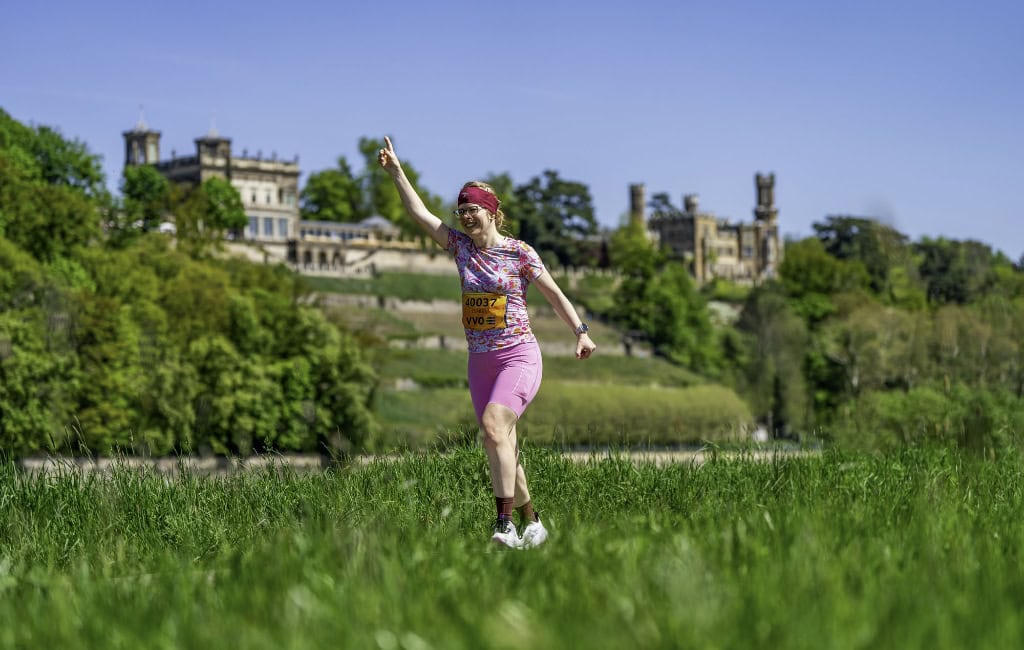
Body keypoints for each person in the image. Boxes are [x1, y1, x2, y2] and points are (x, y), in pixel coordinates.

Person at [378, 136, 597, 549]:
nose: (464, 217)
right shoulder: (460, 249)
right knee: (502, 441)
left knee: (494, 428)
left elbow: (553, 293)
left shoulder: (519, 254)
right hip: (480, 363)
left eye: (471, 209)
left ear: (492, 212)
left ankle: (504, 525)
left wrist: (580, 331)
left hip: (518, 356)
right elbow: (419, 213)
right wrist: (397, 173)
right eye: (460, 211)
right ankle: (533, 522)